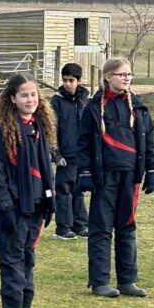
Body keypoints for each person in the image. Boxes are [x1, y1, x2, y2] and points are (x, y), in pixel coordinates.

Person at [76, 58, 154, 297]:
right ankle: (100, 281)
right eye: (122, 74)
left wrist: (151, 170)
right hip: (105, 177)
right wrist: (84, 172)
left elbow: (149, 140)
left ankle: (127, 280)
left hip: (130, 177)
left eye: (129, 74)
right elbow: (83, 144)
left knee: (126, 227)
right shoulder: (93, 108)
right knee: (101, 228)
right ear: (108, 77)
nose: (127, 78)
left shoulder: (139, 107)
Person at [0, 73, 57, 308]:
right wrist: (4, 206)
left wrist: (50, 201)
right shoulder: (5, 131)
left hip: (36, 205)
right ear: (13, 99)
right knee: (13, 261)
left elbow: (45, 169)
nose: (30, 100)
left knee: (28, 259)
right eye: (25, 95)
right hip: (15, 207)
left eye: (34, 95)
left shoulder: (39, 128)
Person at [50, 62, 90, 240]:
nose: (67, 84)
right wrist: (55, 154)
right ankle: (63, 228)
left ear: (79, 81)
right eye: (65, 80)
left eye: (71, 80)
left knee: (78, 189)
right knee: (64, 190)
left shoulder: (85, 101)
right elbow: (51, 129)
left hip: (81, 154)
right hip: (65, 154)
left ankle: (80, 224)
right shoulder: (56, 101)